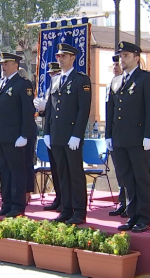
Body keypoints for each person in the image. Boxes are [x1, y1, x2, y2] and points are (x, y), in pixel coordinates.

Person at [105, 41, 150, 233]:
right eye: (121, 56)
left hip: (138, 139)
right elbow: (110, 110)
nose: (123, 59)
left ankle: (144, 216)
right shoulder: (116, 81)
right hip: (120, 138)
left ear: (137, 57)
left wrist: (149, 135)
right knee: (126, 179)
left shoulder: (147, 79)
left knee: (141, 178)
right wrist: (108, 135)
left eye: (126, 56)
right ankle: (132, 214)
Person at [43, 43, 92, 225]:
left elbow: (83, 109)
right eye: (58, 56)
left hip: (71, 136)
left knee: (75, 174)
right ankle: (66, 208)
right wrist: (47, 132)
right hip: (56, 135)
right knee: (62, 173)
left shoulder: (81, 80)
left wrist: (77, 134)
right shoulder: (55, 80)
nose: (60, 59)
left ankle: (79, 211)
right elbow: (50, 108)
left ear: (72, 58)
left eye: (63, 56)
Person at [0, 52, 35, 217]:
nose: (3, 66)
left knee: (17, 172)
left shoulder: (23, 84)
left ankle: (17, 205)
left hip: (15, 137)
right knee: (4, 171)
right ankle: (6, 202)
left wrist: (24, 135)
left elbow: (27, 111)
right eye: (2, 63)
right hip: (0, 136)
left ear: (16, 64)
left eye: (6, 63)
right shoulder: (0, 83)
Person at [34, 62, 62, 212]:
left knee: (63, 170)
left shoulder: (60, 87)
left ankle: (64, 199)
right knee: (55, 169)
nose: (52, 76)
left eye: (55, 73)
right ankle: (58, 197)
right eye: (50, 74)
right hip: (50, 132)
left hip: (61, 134)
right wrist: (41, 110)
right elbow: (47, 112)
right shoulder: (50, 88)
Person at [107, 53, 128, 218]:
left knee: (129, 173)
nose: (115, 68)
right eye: (114, 66)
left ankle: (130, 203)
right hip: (116, 135)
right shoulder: (112, 84)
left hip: (129, 136)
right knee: (120, 172)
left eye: (117, 65)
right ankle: (122, 202)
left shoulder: (131, 83)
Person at [18, 67, 38, 204]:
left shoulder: (25, 86)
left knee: (26, 162)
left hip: (27, 130)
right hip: (16, 131)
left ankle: (27, 192)